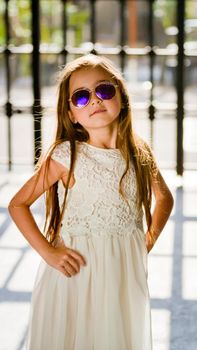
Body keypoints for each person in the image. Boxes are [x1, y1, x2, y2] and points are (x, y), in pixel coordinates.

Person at [8, 54, 174, 350]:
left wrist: (147, 241)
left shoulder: (139, 151)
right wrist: (49, 253)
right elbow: (17, 204)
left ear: (120, 95)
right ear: (71, 113)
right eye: (81, 97)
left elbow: (164, 199)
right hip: (76, 273)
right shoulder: (65, 156)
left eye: (104, 90)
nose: (95, 100)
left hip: (122, 274)